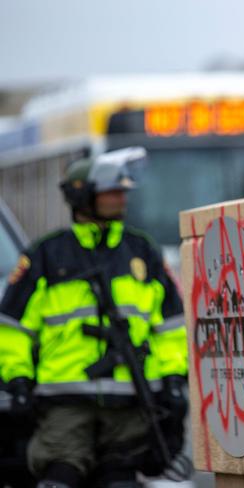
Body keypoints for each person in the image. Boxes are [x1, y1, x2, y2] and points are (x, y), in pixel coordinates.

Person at [0, 148, 189, 488]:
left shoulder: (141, 251)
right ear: (82, 196)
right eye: (112, 192)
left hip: (130, 404)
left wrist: (173, 379)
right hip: (64, 407)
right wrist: (17, 379)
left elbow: (170, 327)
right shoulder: (46, 256)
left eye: (123, 192)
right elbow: (12, 329)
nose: (121, 199)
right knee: (60, 476)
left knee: (121, 480)